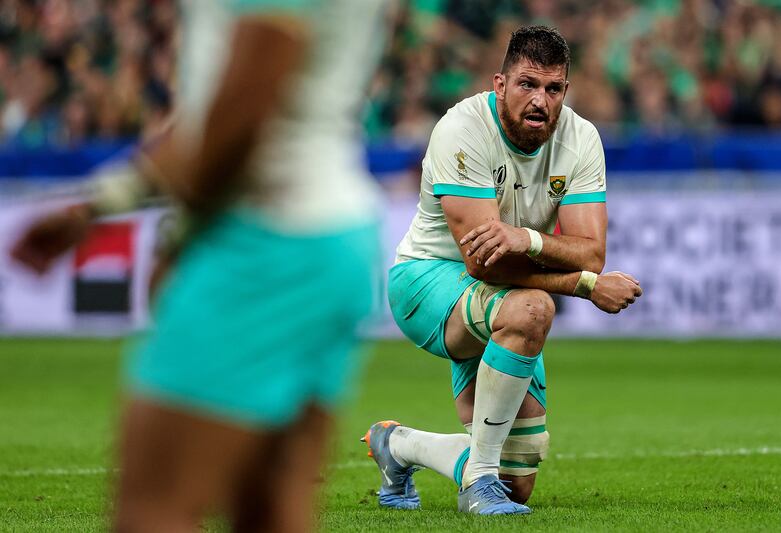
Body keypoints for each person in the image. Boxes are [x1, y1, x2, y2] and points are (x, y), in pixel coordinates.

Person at [11, 0, 388, 531]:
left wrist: (181, 234)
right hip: (322, 235)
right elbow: (225, 107)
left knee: (152, 511)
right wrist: (100, 202)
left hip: (263, 244)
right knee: (270, 512)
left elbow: (245, 105)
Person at [362, 26, 643, 515]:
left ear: (566, 92)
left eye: (553, 88)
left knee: (517, 486)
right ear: (499, 84)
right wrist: (584, 286)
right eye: (527, 85)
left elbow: (591, 251)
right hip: (427, 281)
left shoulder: (580, 140)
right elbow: (482, 261)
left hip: (499, 292)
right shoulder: (462, 129)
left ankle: (398, 446)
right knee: (534, 310)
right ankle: (477, 486)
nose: (541, 100)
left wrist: (528, 238)